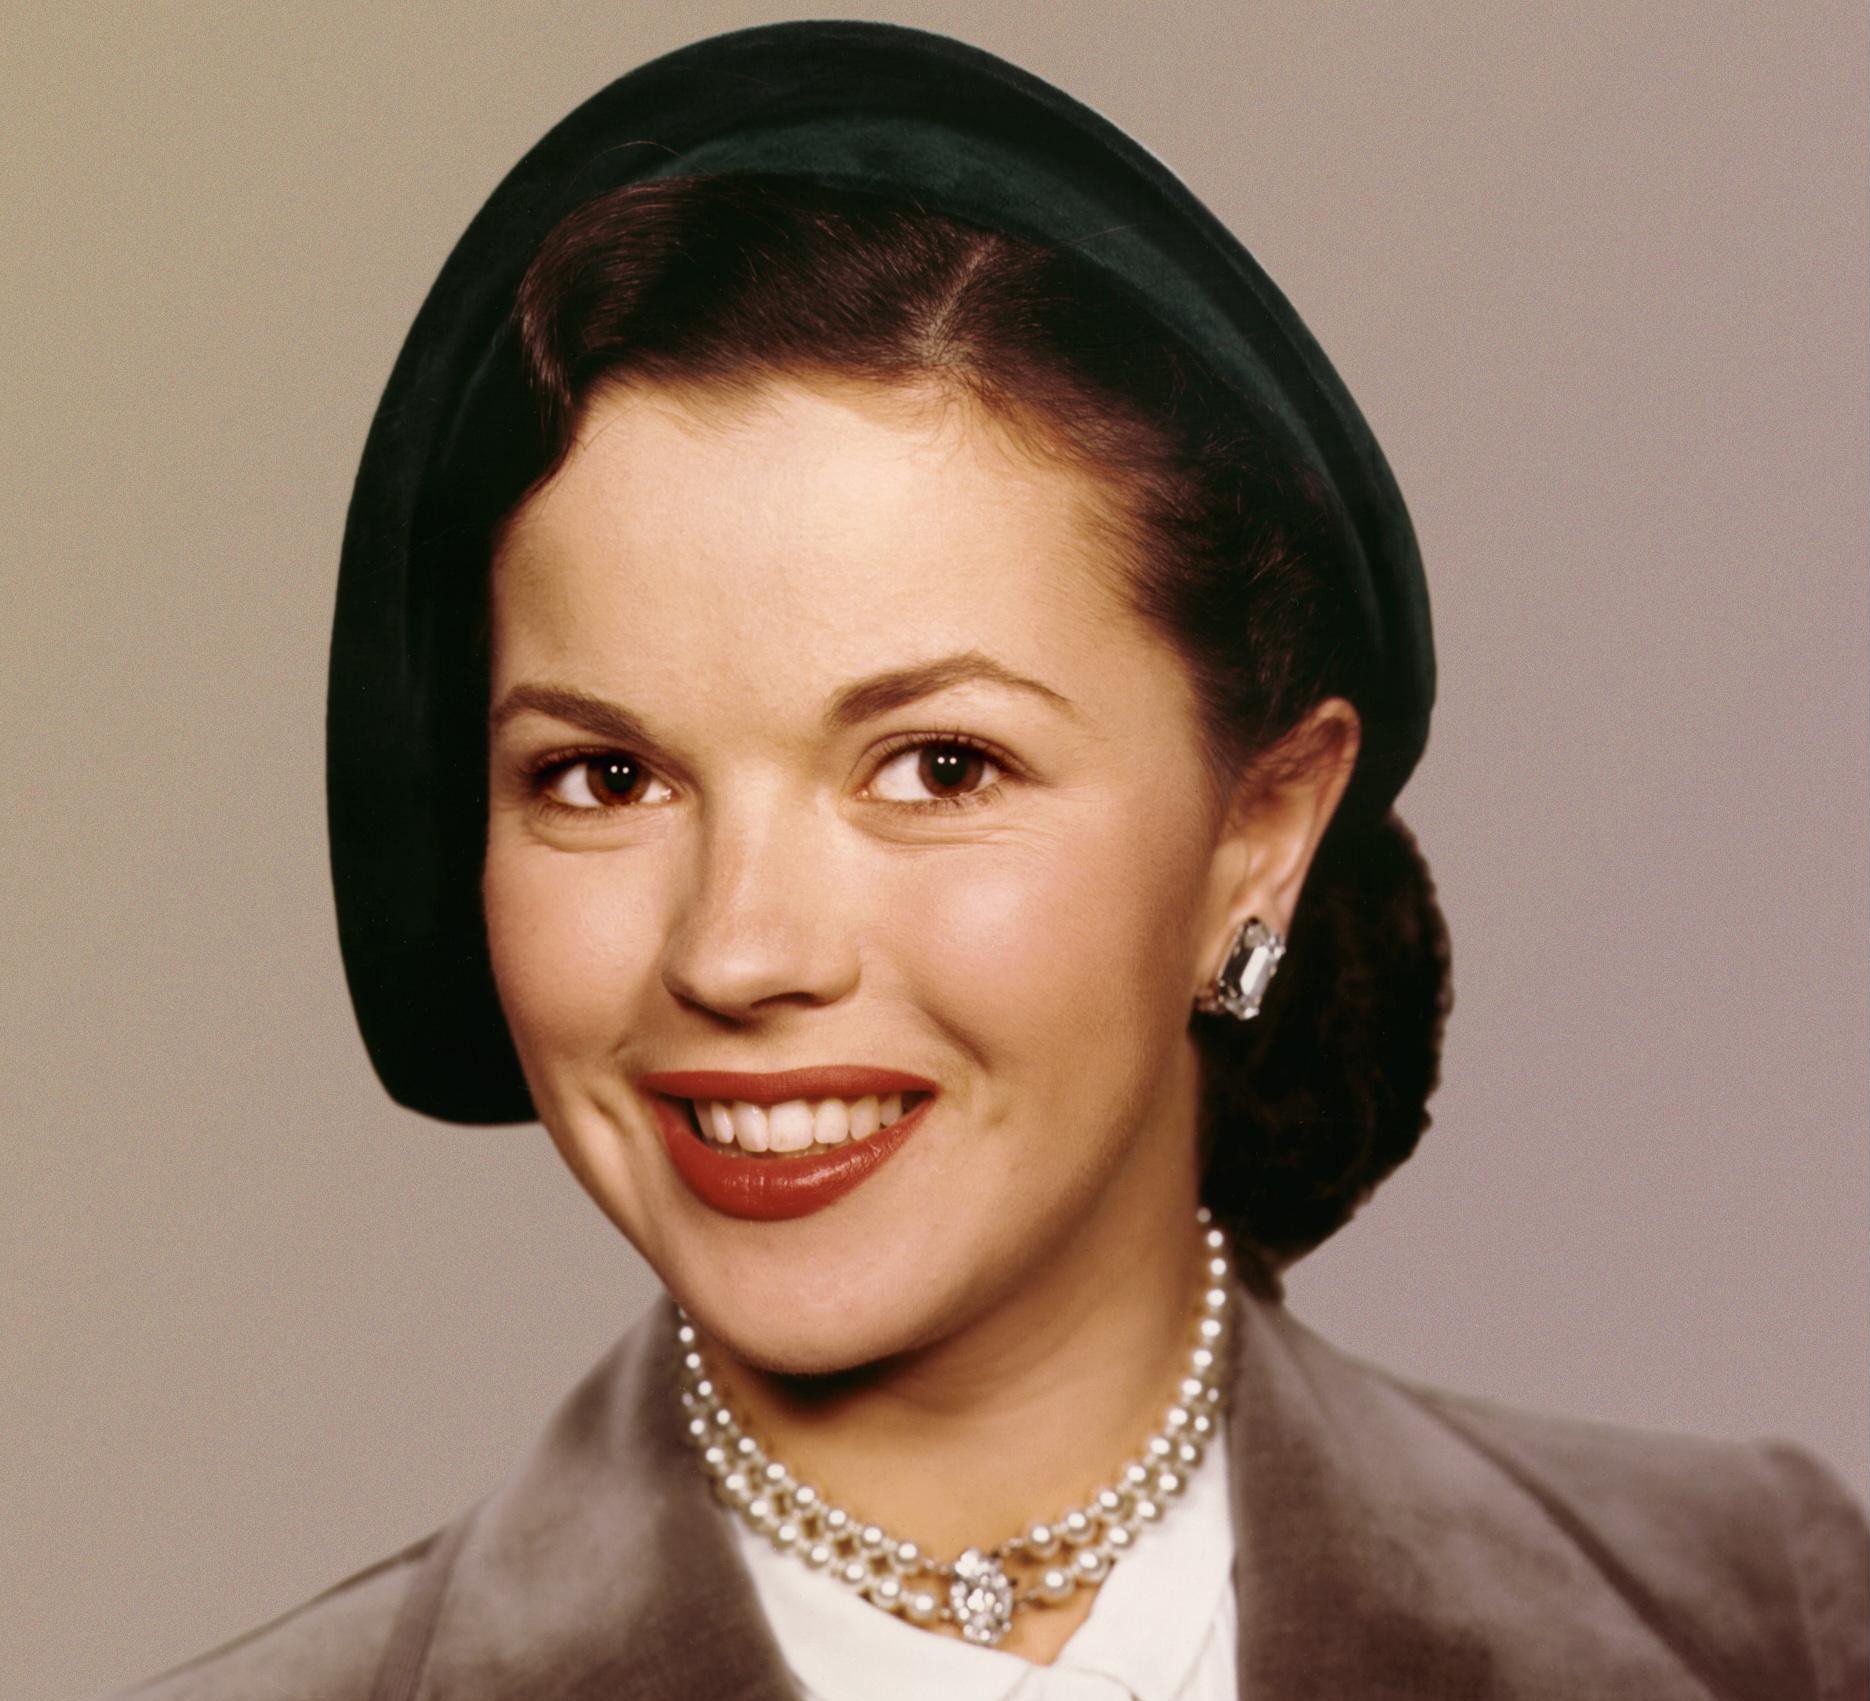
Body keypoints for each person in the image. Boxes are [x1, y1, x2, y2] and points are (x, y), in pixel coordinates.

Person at [112, 20, 1867, 1701]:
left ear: (1257, 828)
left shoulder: (1767, 1619)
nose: (735, 949)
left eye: (937, 764)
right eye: (602, 774)